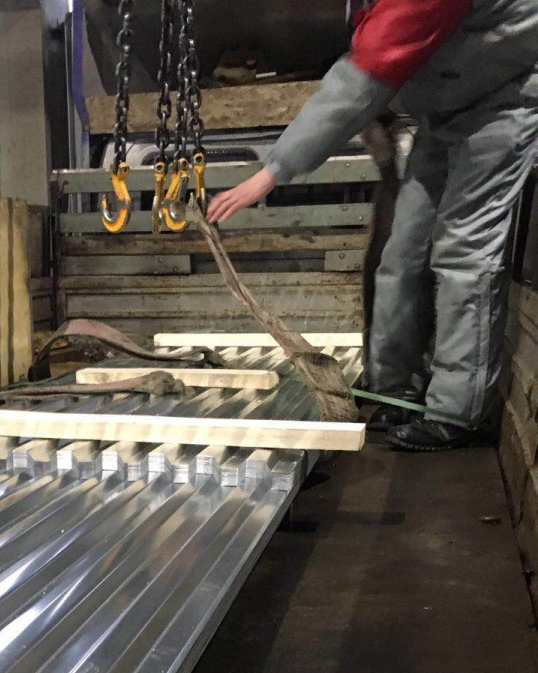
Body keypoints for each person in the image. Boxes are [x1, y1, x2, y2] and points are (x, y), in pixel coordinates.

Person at [207, 0, 538, 451]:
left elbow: (367, 72)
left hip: (504, 101)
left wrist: (270, 173)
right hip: (441, 113)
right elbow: (376, 47)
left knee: (463, 251)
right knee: (401, 250)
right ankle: (394, 390)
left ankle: (457, 412)